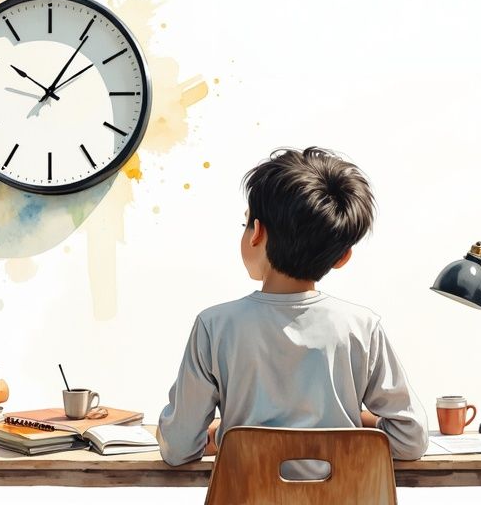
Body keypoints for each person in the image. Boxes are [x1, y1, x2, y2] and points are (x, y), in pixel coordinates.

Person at [157, 146, 429, 469]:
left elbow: (178, 448)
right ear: (342, 257)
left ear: (256, 232)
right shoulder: (361, 327)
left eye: (245, 223)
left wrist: (223, 437)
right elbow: (411, 439)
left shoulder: (214, 326)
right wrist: (355, 426)